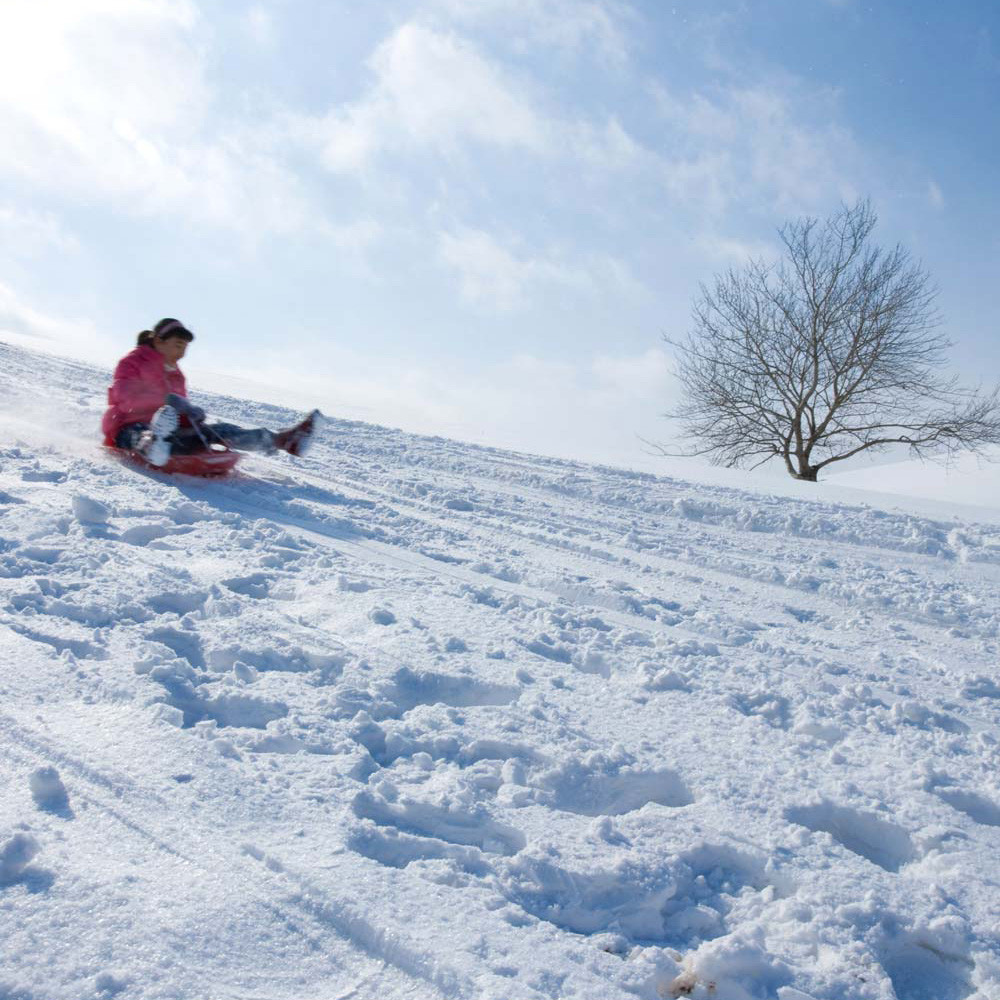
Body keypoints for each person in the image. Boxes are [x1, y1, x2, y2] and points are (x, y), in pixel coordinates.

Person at [102, 318, 319, 466]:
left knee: (217, 430)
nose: (182, 352)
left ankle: (282, 440)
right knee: (137, 432)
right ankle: (152, 446)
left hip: (170, 434)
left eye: (185, 347)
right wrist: (166, 401)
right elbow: (124, 397)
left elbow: (177, 412)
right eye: (178, 345)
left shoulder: (177, 375)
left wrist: (189, 414)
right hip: (127, 425)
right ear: (159, 341)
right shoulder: (133, 361)